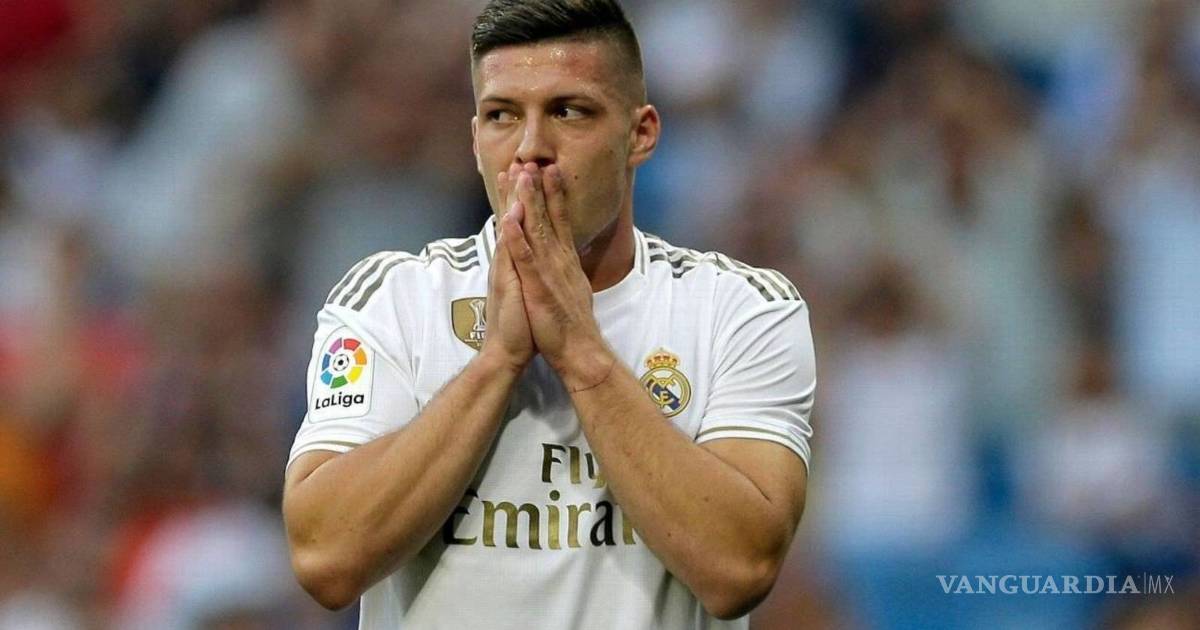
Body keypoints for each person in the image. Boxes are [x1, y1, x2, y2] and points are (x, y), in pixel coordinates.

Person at [281, 1, 815, 628]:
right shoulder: (392, 300)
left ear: (640, 134)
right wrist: (497, 362)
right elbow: (326, 560)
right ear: (475, 140)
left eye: (569, 111)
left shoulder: (741, 311)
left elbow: (740, 570)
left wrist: (580, 353)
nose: (530, 148)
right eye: (502, 115)